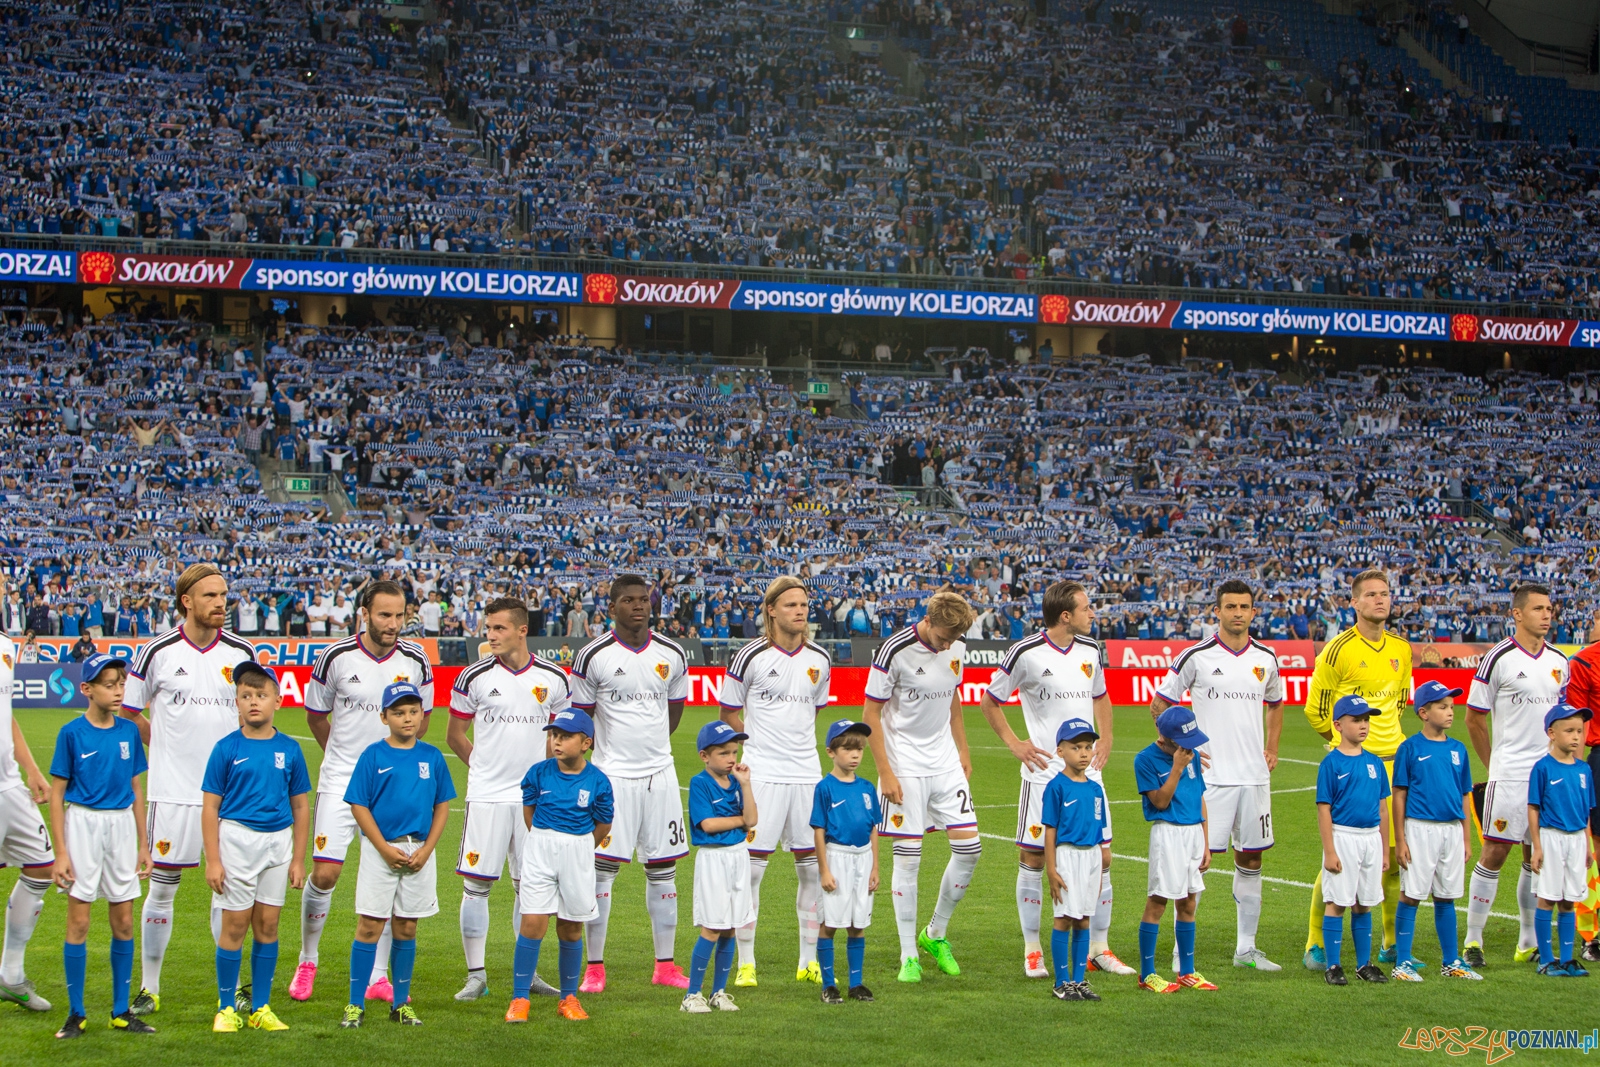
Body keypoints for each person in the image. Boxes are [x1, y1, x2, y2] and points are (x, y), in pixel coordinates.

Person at [120, 563, 257, 1016]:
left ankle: (234, 987)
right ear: (187, 601)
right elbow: (129, 712)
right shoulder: (156, 651)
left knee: (230, 892)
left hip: (229, 796)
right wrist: (164, 743)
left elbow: (252, 715)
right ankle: (150, 986)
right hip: (173, 791)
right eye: (211, 596)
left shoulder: (242, 652)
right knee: (163, 888)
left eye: (224, 595)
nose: (221, 603)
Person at [979, 579, 1128, 978]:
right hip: (1044, 776)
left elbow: (1101, 695)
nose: (1092, 613)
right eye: (1086, 608)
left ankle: (1099, 947)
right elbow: (989, 699)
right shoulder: (1025, 652)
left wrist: (1108, 737)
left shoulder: (1091, 650)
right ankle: (1033, 950)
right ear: (1066, 615)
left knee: (1103, 856)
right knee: (1032, 858)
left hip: (1089, 775)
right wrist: (1015, 744)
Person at [294, 580, 434, 1003]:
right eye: (384, 615)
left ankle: (377, 976)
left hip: (392, 786)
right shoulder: (334, 656)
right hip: (340, 781)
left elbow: (422, 718)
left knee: (393, 872)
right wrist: (344, 762)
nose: (393, 624)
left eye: (399, 616)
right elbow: (316, 716)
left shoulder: (416, 660)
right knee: (326, 873)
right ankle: (308, 958)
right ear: (365, 613)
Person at [1150, 580, 1283, 971]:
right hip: (1211, 778)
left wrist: (1272, 747)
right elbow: (1160, 704)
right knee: (1195, 863)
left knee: (1252, 860)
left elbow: (1276, 704)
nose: (1238, 613)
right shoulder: (1197, 656)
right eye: (1230, 607)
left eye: (1244, 606)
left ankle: (1246, 949)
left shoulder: (1267, 658)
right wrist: (1176, 747)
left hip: (1254, 778)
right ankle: (1180, 953)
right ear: (1217, 612)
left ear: (1253, 612)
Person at [570, 574, 691, 992]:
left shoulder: (672, 653)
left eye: (644, 599)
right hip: (611, 777)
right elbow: (582, 720)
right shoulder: (593, 655)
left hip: (660, 775)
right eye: (629, 600)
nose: (638, 606)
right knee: (601, 874)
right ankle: (595, 968)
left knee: (663, 871)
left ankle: (665, 966)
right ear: (613, 606)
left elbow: (673, 712)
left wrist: (652, 748)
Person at [448, 596, 568, 1002]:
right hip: (487, 797)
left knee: (529, 888)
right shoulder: (473, 677)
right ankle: (476, 976)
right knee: (476, 885)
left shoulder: (554, 678)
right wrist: (481, 769)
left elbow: (561, 741)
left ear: (522, 630)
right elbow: (455, 734)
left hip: (535, 801)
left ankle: (527, 972)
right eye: (488, 628)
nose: (491, 636)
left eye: (499, 628)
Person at [718, 575, 832, 987]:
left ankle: (807, 961)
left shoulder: (821, 658)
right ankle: (746, 962)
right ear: (770, 610)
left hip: (806, 775)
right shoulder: (748, 656)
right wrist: (759, 742)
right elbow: (728, 713)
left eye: (804, 604)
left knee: (811, 870)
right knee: (751, 872)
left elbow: (813, 712)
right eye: (790, 605)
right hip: (761, 775)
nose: (800, 611)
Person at [864, 587, 981, 983]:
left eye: (953, 639)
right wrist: (885, 772)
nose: (947, 644)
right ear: (927, 620)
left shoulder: (956, 649)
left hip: (945, 761)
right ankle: (908, 954)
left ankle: (935, 933)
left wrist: (963, 751)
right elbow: (871, 714)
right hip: (905, 764)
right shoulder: (893, 651)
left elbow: (953, 702)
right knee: (909, 858)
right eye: (942, 636)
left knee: (970, 849)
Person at [1300, 570, 1410, 972]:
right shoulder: (1337, 650)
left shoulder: (1402, 648)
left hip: (1396, 764)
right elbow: (1315, 709)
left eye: (1385, 594)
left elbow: (1398, 701)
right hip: (1354, 766)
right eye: (1370, 595)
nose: (1380, 601)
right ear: (1355, 603)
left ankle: (1391, 944)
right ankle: (1315, 944)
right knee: (1339, 858)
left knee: (1395, 855)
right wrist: (1346, 748)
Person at [48, 653, 155, 1038]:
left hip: (122, 827)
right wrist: (61, 851)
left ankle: (119, 1011)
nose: (117, 690)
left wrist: (143, 844)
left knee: (123, 920)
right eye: (108, 684)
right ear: (86, 689)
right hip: (83, 825)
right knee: (79, 920)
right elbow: (57, 795)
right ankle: (76, 1013)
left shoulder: (128, 732)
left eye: (120, 683)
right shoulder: (71, 733)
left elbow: (136, 789)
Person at [339, 682, 456, 1029]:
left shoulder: (432, 756)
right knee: (370, 924)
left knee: (407, 925)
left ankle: (401, 1004)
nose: (408, 719)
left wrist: (427, 850)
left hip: (418, 850)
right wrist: (383, 848)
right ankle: (354, 1004)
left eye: (413, 712)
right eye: (399, 713)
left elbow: (442, 806)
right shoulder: (373, 755)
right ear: (384, 716)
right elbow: (358, 805)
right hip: (381, 850)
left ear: (422, 715)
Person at [201, 662, 311, 1032]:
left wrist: (298, 858)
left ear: (277, 701)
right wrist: (213, 861)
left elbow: (299, 805)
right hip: (236, 840)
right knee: (234, 926)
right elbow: (210, 807)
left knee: (268, 924)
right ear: (236, 702)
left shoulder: (291, 750)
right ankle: (226, 1008)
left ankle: (261, 1007)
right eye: (246, 696)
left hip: (277, 844)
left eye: (261, 695)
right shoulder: (226, 748)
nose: (253, 702)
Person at [1463, 582, 1569, 968]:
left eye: (1550, 609)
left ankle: (1528, 940)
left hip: (1548, 775)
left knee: (1535, 857)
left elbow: (1564, 719)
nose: (1547, 615)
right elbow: (1474, 718)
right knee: (1496, 850)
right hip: (1509, 774)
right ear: (1517, 613)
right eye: (1539, 608)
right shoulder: (1498, 658)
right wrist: (1495, 766)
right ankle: (1473, 939)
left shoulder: (1560, 661)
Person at [505, 707, 614, 1023]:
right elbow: (529, 811)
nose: (556, 741)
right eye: (554, 735)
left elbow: (603, 824)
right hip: (539, 849)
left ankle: (568, 998)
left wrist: (579, 847)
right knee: (532, 923)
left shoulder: (598, 781)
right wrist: (544, 839)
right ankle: (519, 999)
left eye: (565, 736)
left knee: (570, 926)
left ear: (585, 743)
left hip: (579, 851)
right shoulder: (538, 773)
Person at [1390, 681, 1481, 981]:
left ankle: (1451, 961)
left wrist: (1467, 837)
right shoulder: (1410, 748)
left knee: (1447, 896)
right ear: (1424, 712)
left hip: (1452, 832)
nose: (1450, 712)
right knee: (1411, 894)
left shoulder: (1458, 749)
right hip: (1419, 830)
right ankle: (1402, 961)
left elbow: (1464, 794)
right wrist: (1400, 839)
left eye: (1452, 707)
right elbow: (1399, 794)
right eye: (1443, 707)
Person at [0, 578, 57, 1012]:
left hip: (9, 785)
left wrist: (32, 771)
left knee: (41, 867)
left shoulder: (6, 645)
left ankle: (11, 975)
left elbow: (9, 717)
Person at [1134, 706, 1213, 993]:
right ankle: (1147, 974)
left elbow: (1200, 797)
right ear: (1166, 737)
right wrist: (1177, 769)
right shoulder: (1145, 760)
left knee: (1189, 903)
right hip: (1168, 834)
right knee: (1158, 903)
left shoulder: (1190, 754)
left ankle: (1187, 972)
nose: (1189, 747)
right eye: (1183, 741)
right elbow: (1160, 802)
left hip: (1193, 833)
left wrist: (1206, 839)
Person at [681, 720, 757, 1013]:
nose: (731, 759)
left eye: (734, 752)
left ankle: (718, 992)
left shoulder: (737, 783)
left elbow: (753, 818)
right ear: (705, 756)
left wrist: (746, 785)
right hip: (714, 859)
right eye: (724, 753)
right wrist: (740, 822)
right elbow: (709, 824)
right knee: (712, 927)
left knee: (731, 928)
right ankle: (692, 995)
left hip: (739, 855)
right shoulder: (700, 783)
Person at [1316, 695, 1392, 986]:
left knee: (1365, 902)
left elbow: (1382, 808)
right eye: (1356, 720)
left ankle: (1364, 964)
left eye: (1366, 720)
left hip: (1371, 839)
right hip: (1343, 837)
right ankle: (1333, 965)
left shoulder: (1374, 763)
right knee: (1337, 901)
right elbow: (1324, 809)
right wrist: (1330, 851)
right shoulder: (1331, 763)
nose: (1363, 725)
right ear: (1338, 725)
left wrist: (1384, 849)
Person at [811, 719, 881, 1005]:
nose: (855, 755)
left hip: (863, 859)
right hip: (837, 857)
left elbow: (873, 827)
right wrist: (824, 869)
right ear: (831, 752)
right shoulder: (825, 788)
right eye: (848, 749)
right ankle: (829, 985)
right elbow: (818, 830)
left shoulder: (866, 787)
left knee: (858, 922)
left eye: (860, 749)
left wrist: (875, 866)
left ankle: (856, 983)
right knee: (830, 922)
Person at [1040, 718, 1110, 1002]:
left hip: (1091, 856)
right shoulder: (1056, 787)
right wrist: (1052, 869)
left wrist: (1104, 852)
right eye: (1076, 747)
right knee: (1065, 917)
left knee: (1084, 919)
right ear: (1060, 752)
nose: (1083, 753)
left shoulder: (1095, 789)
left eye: (1088, 747)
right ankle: (1061, 982)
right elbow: (1050, 830)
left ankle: (1079, 981)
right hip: (1067, 856)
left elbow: (1099, 825)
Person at [1528, 703, 1595, 977]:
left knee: (1569, 900)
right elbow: (1533, 808)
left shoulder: (1584, 770)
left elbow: (1587, 810)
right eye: (1569, 731)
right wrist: (1537, 846)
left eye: (1579, 731)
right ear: (1552, 733)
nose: (1576, 736)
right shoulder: (1542, 768)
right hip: (1551, 837)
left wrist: (1588, 845)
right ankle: (1546, 960)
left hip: (1577, 840)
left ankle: (1566, 959)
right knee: (1547, 898)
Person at [1558, 627, 1600, 961]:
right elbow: (1575, 723)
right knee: (1595, 845)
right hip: (1598, 757)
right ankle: (1592, 935)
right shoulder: (1585, 662)